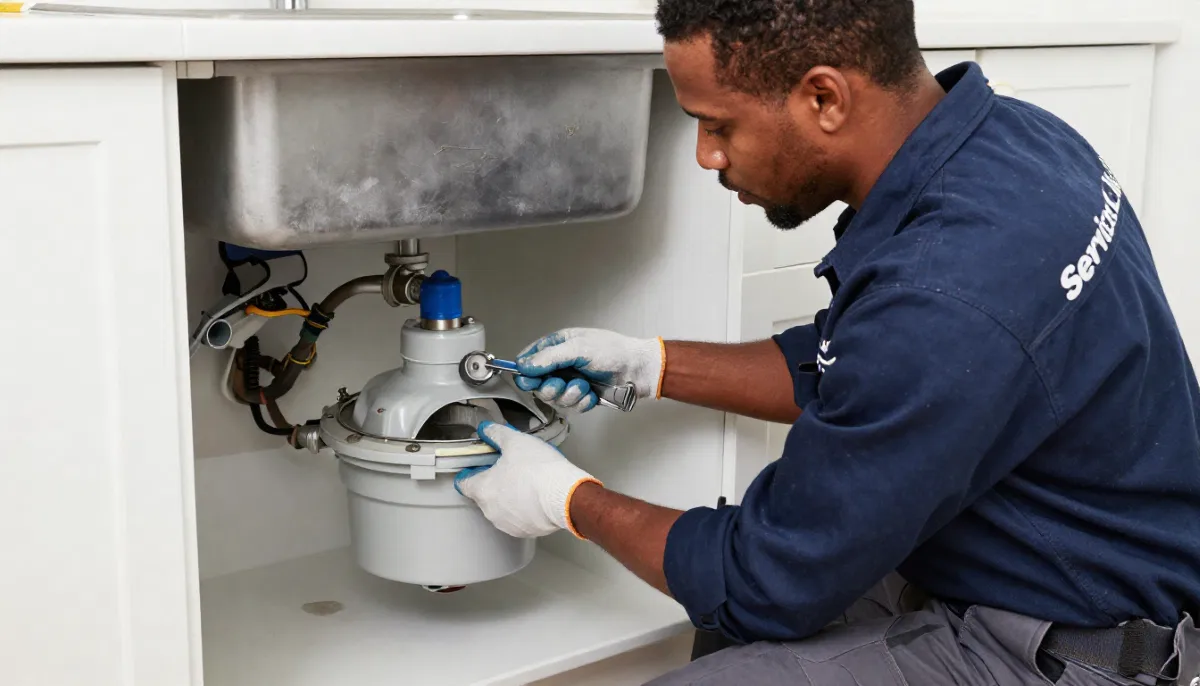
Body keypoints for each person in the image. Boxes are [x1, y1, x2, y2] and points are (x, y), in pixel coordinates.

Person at [454, 1, 1200, 683]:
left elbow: (764, 581)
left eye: (718, 125)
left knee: (730, 621)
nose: (706, 156)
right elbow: (864, 363)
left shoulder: (944, 291)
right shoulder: (1015, 140)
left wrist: (565, 500)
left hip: (1073, 651)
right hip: (1057, 564)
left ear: (824, 99)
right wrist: (651, 364)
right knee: (724, 629)